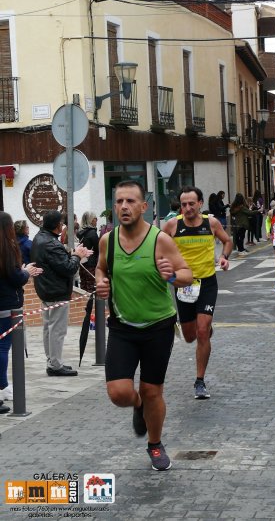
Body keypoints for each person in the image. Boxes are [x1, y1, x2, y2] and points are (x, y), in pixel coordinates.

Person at [95, 181, 192, 472]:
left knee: (153, 391)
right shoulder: (107, 241)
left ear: (143, 206)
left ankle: (155, 443)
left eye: (130, 201)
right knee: (119, 393)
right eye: (119, 201)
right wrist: (101, 281)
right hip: (123, 326)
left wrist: (172, 276)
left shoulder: (159, 239)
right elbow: (101, 266)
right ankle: (138, 406)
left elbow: (187, 274)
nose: (124, 207)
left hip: (158, 327)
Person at [162, 185, 232, 400]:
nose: (188, 208)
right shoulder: (173, 225)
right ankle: (205, 331)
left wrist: (224, 256)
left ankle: (199, 380)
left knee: (202, 331)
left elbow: (227, 240)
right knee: (190, 336)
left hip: (207, 283)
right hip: (183, 285)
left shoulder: (211, 223)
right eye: (184, 204)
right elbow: (157, 246)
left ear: (200, 204)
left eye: (192, 203)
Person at [31, 210, 93, 377]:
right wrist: (77, 256)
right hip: (56, 291)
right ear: (58, 226)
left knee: (48, 328)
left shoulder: (39, 238)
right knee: (57, 330)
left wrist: (74, 255)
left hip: (46, 290)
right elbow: (68, 268)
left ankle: (52, 361)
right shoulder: (51, 243)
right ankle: (55, 364)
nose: (63, 226)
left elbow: (59, 262)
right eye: (62, 224)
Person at [0, 212, 42, 408]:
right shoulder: (6, 247)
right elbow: (14, 277)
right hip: (7, 304)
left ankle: (4, 386)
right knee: (3, 347)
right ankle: (2, 387)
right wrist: (26, 272)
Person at [77, 212, 99, 333]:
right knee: (91, 290)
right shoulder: (92, 233)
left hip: (82, 264)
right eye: (95, 218)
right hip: (91, 264)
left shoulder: (81, 233)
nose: (97, 220)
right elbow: (98, 249)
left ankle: (85, 315)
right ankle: (91, 317)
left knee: (84, 287)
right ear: (91, 220)